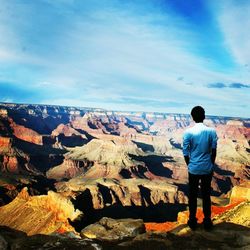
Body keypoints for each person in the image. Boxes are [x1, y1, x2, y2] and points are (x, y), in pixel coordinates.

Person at [182, 106, 217, 231]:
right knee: (206, 195)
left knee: (192, 195)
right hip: (207, 168)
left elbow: (185, 152)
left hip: (194, 169)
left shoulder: (188, 132)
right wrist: (211, 164)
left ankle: (192, 220)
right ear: (204, 116)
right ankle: (207, 221)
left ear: (192, 117)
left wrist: (190, 165)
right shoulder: (212, 132)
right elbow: (214, 151)